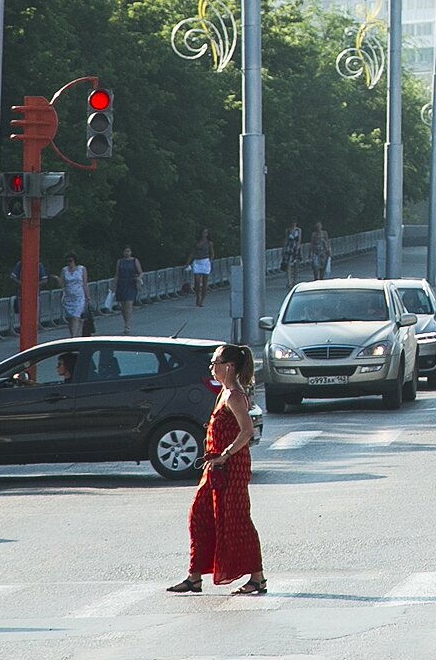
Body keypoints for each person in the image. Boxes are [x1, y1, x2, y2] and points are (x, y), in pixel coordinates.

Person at [169, 343, 265, 596]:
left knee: (235, 519)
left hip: (231, 466)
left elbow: (247, 431)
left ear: (229, 366)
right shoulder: (223, 392)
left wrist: (225, 454)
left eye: (215, 363)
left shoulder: (234, 394)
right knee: (200, 514)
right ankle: (195, 576)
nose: (211, 367)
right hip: (215, 466)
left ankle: (257, 578)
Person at [58, 253, 90, 338]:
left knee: (76, 316)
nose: (69, 263)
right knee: (70, 318)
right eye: (67, 261)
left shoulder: (81, 269)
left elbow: (84, 283)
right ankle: (72, 334)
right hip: (68, 296)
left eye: (70, 261)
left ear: (75, 261)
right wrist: (58, 279)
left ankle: (74, 336)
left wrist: (88, 297)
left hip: (79, 296)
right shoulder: (64, 270)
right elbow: (62, 284)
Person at [114, 247, 143, 333]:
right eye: (125, 251)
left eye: (128, 251)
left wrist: (138, 278)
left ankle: (127, 325)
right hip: (122, 283)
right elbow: (117, 274)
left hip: (131, 283)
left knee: (129, 303)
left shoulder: (135, 261)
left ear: (131, 252)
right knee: (123, 305)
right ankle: (125, 321)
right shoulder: (120, 261)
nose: (127, 253)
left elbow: (140, 272)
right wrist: (114, 285)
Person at [189, 229, 214, 307]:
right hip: (197, 261)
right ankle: (197, 297)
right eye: (203, 232)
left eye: (206, 232)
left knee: (204, 282)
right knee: (197, 281)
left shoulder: (210, 243)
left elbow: (212, 253)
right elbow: (193, 252)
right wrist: (188, 262)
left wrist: (210, 260)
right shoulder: (196, 242)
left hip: (205, 261)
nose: (204, 234)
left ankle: (202, 300)